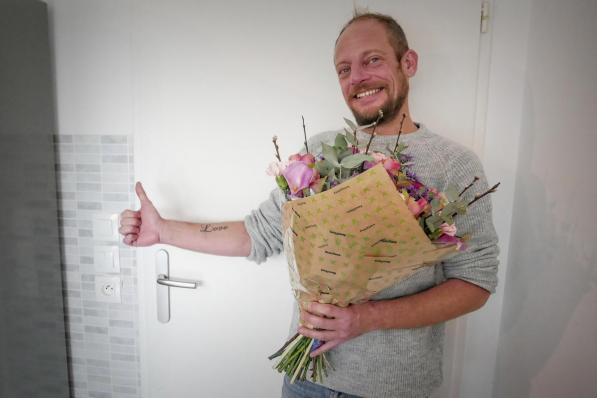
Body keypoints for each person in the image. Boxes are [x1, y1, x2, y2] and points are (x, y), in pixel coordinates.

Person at [119, 12, 499, 398]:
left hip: (391, 389)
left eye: (373, 60)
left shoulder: (454, 165)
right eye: (344, 69)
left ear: (408, 63)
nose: (358, 78)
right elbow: (259, 234)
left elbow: (475, 282)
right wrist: (163, 230)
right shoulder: (319, 153)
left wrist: (368, 318)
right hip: (307, 381)